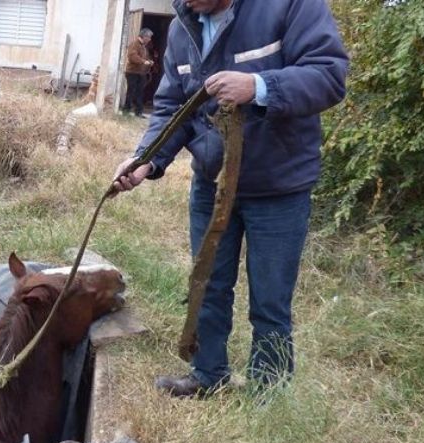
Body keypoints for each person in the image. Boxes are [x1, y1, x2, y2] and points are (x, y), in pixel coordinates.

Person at [112, 0, 348, 397]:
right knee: (207, 285)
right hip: (212, 183)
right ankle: (208, 374)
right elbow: (174, 108)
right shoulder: (185, 26)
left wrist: (258, 87)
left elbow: (329, 74)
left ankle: (267, 392)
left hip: (279, 187)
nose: (185, 1)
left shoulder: (290, 6)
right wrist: (146, 161)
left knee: (270, 300)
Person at [123, 28, 155, 117]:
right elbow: (132, 56)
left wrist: (149, 61)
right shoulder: (134, 44)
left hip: (140, 73)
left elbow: (143, 58)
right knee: (131, 91)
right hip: (132, 73)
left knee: (140, 92)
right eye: (149, 37)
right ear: (144, 36)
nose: (150, 40)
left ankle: (138, 112)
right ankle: (126, 110)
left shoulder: (143, 47)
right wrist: (143, 62)